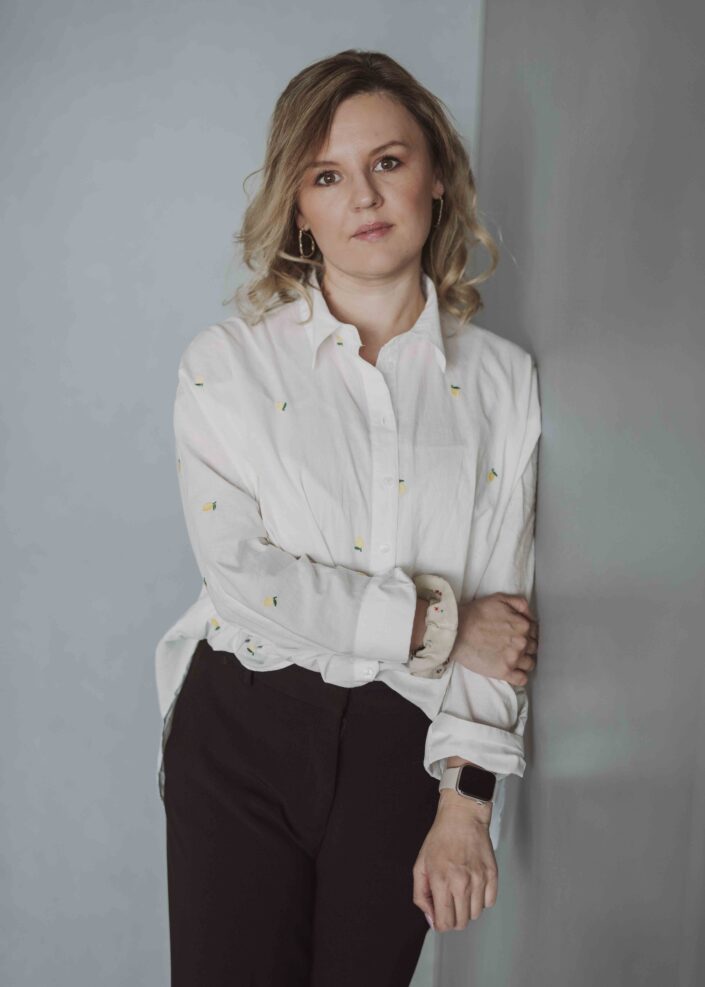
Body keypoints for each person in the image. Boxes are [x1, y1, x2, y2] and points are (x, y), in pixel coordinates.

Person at [154, 48, 541, 987]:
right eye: (326, 175)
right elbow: (246, 580)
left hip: (402, 745)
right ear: (298, 205)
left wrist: (467, 802)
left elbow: (504, 617)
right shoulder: (227, 366)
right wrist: (436, 624)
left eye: (388, 162)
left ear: (435, 174)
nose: (363, 197)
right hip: (240, 722)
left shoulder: (500, 381)